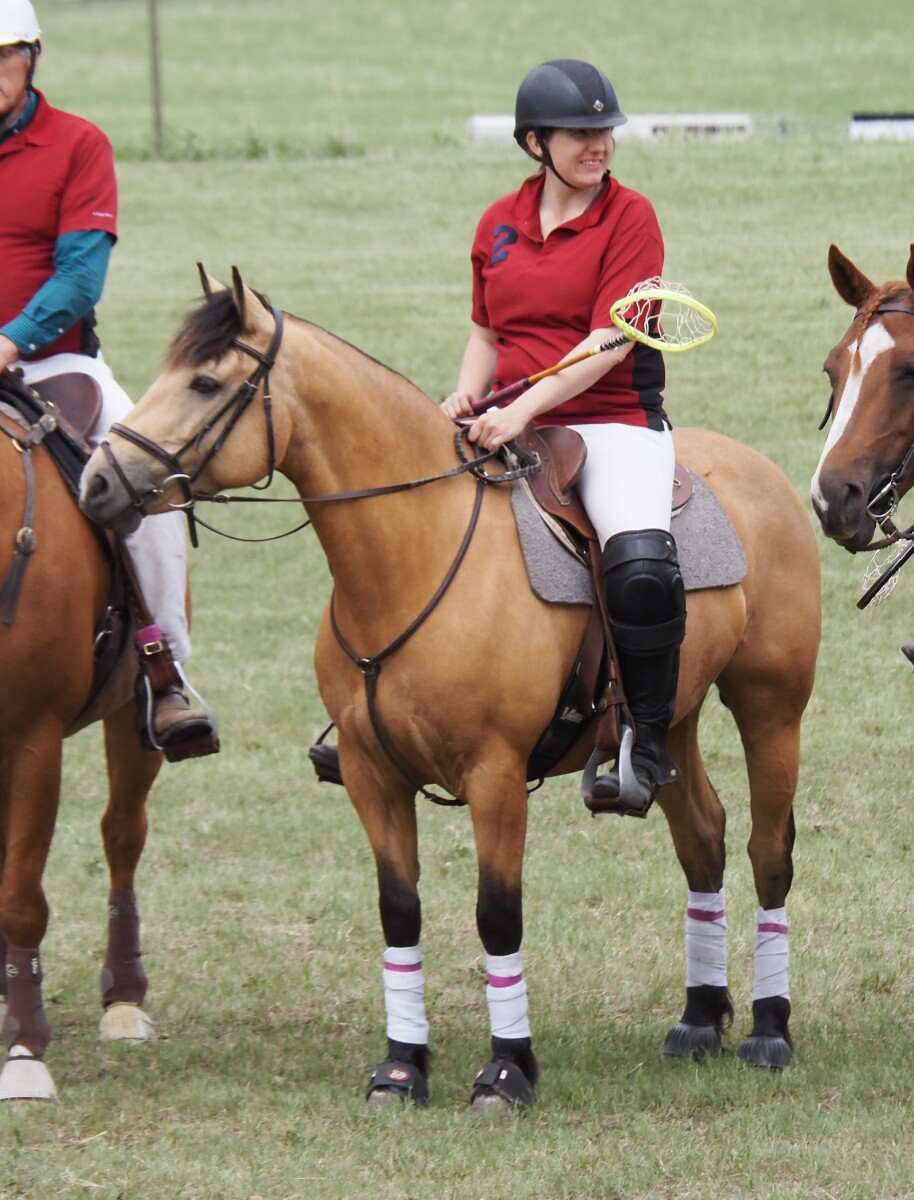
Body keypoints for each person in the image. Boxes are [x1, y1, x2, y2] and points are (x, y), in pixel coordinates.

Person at [442, 59, 686, 811]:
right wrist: (469, 390)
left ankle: (643, 744)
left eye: (605, 131)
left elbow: (613, 343)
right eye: (581, 134)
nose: (598, 145)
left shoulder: (632, 218)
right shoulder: (497, 223)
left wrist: (523, 410)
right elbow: (487, 329)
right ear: (534, 142)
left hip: (612, 420)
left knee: (640, 562)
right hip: (508, 415)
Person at [0, 0, 216, 757]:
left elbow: (81, 274)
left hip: (54, 363)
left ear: (32, 58)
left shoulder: (77, 144)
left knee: (145, 478)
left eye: (3, 57)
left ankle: (165, 671)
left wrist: (11, 339)